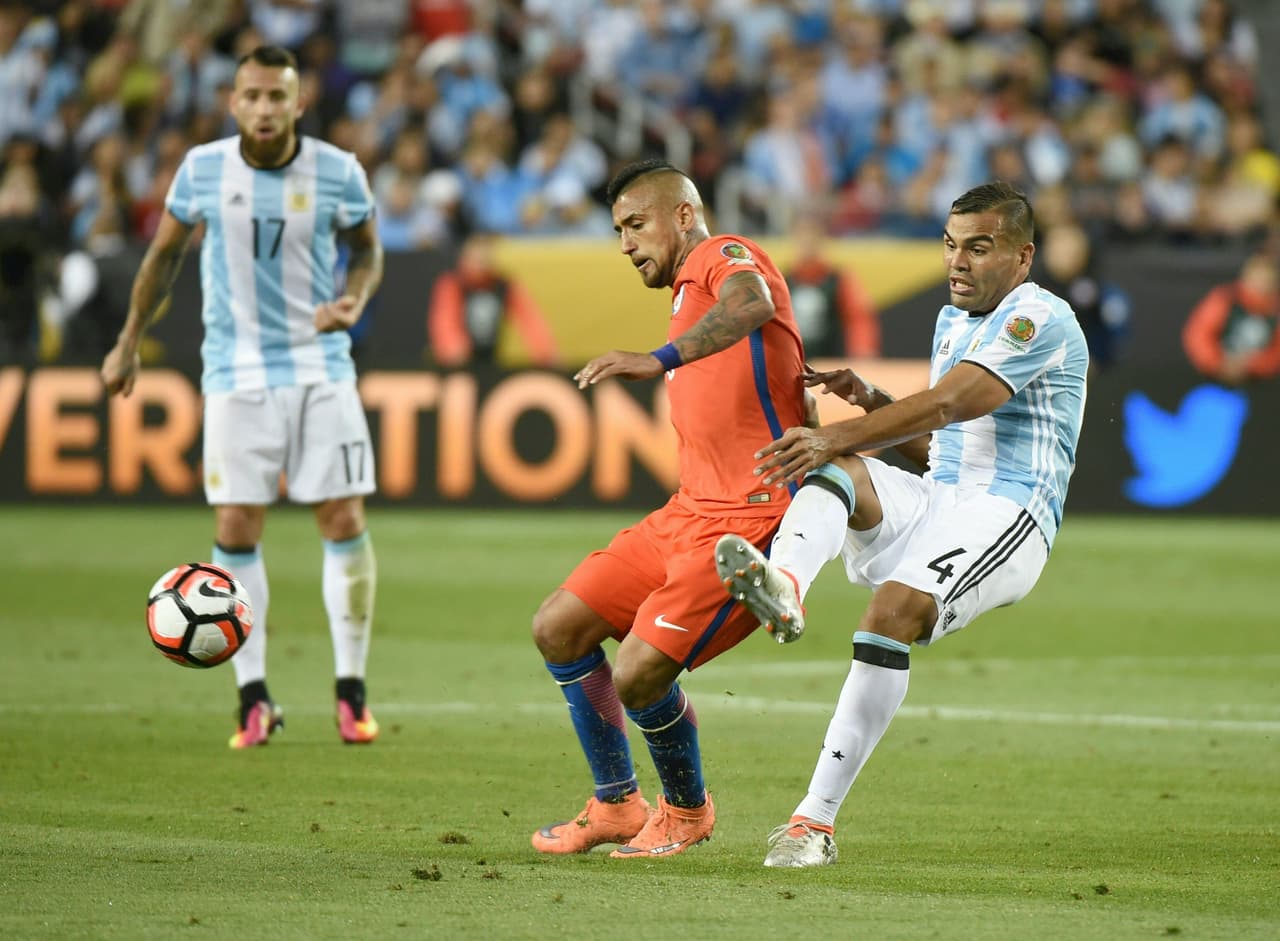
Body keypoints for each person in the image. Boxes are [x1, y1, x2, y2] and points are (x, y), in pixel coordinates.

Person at [714, 182, 1088, 867]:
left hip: (1011, 514)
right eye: (951, 245)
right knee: (844, 470)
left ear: (1023, 255)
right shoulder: (953, 321)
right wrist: (874, 407)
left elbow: (948, 405)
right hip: (941, 499)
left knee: (889, 610)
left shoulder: (1040, 317)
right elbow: (940, 451)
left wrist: (841, 431)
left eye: (980, 247)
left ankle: (812, 826)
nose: (959, 262)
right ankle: (787, 585)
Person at [99, 45, 385, 749]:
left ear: (298, 102)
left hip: (320, 363)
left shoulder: (337, 171)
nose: (264, 108)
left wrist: (355, 295)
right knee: (235, 525)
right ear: (234, 101)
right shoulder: (202, 169)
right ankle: (252, 698)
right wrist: (129, 338)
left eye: (277, 97)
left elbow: (369, 249)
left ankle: (352, 692)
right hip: (234, 371)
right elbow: (162, 256)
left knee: (343, 513)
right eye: (252, 95)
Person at [530, 158, 806, 859]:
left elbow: (753, 304)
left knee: (639, 672)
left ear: (683, 214)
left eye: (635, 223)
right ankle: (618, 803)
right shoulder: (686, 286)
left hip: (750, 518)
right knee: (560, 626)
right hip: (687, 510)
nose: (624, 242)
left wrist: (660, 357)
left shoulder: (720, 255)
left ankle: (687, 810)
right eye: (617, 228)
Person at [426, 230, 559, 368]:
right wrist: (453, 349)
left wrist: (546, 355)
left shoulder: (504, 285)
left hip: (489, 360)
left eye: (486, 253)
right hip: (455, 364)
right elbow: (444, 320)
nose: (482, 259)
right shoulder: (453, 283)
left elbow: (530, 320)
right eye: (476, 255)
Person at [784, 215, 880, 359]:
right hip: (793, 362)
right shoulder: (784, 280)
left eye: (812, 237)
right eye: (802, 237)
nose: (807, 243)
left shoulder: (838, 279)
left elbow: (859, 317)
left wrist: (862, 349)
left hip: (830, 363)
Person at [1182, 250, 1280, 386]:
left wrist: (1252, 366)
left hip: (1261, 383)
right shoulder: (1224, 299)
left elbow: (1277, 353)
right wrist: (1217, 362)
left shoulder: (1275, 309)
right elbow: (1198, 334)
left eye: (1268, 280)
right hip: (1212, 377)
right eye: (1258, 279)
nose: (1262, 285)